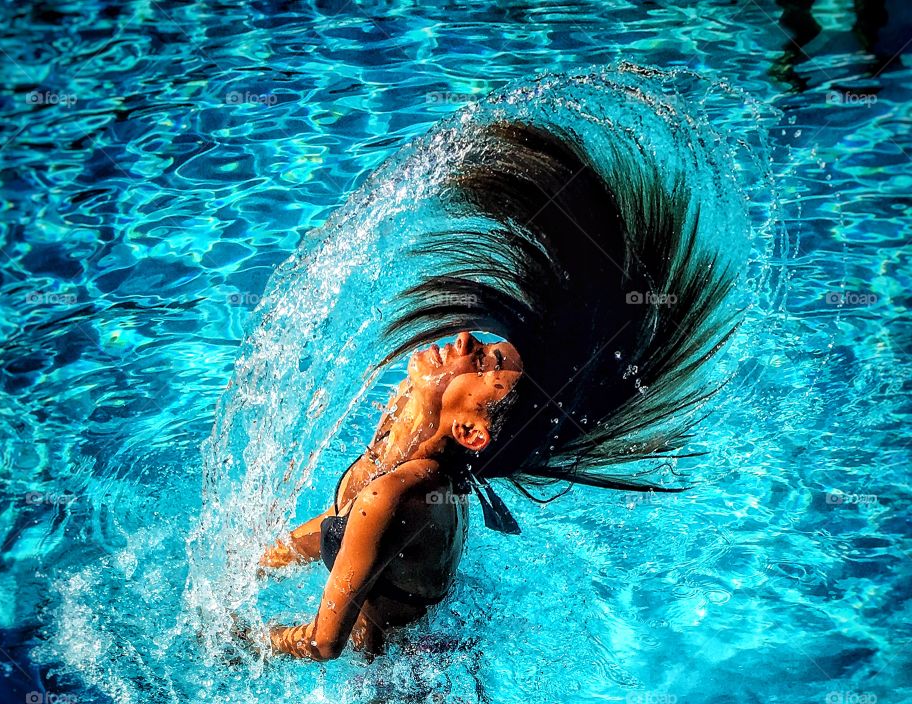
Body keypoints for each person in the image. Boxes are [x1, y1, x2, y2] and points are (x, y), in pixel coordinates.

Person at [250, 119, 737, 662]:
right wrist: (259, 565)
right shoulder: (405, 448)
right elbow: (339, 524)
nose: (463, 337)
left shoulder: (395, 495)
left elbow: (323, 642)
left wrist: (241, 641)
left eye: (482, 360)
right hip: (421, 649)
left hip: (404, 690)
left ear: (469, 429)